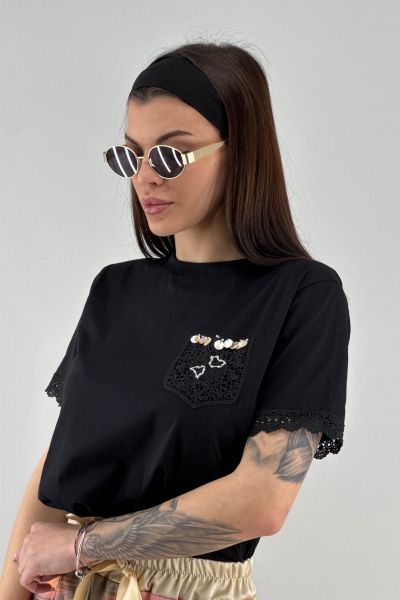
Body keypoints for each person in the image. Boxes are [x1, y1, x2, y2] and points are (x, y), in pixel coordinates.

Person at [1, 41, 351, 600]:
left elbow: (262, 500)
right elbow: (58, 466)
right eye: (131, 156)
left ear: (241, 151)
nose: (145, 178)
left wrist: (83, 545)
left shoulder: (302, 295)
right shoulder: (114, 289)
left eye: (169, 155)